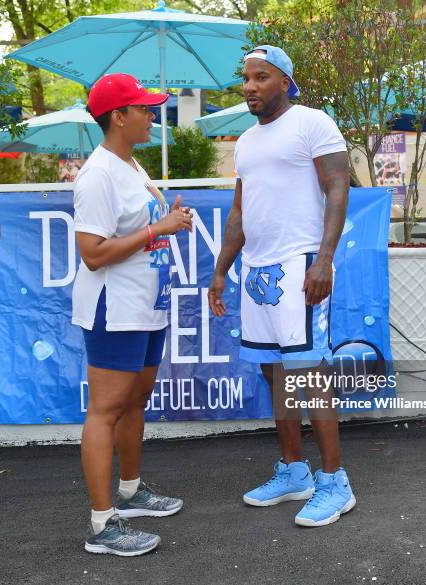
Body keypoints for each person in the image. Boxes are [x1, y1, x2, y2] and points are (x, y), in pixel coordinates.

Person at [209, 46, 355, 527]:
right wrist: (219, 271)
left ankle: (335, 481)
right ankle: (296, 472)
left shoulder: (313, 123)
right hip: (256, 271)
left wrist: (325, 260)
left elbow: (338, 186)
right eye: (245, 78)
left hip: (301, 263)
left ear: (285, 82)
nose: (249, 85)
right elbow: (239, 213)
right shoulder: (246, 142)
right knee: (275, 374)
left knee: (309, 376)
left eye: (261, 77)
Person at [72, 73, 193, 555]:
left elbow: (145, 228)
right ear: (118, 117)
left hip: (146, 305)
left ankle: (130, 491)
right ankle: (103, 526)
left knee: (135, 400)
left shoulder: (131, 164)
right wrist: (156, 229)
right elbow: (93, 253)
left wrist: (168, 224)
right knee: (105, 411)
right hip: (114, 309)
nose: (152, 115)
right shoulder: (98, 174)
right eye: (143, 109)